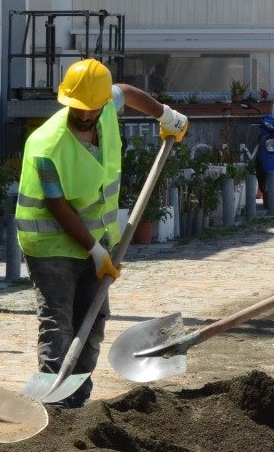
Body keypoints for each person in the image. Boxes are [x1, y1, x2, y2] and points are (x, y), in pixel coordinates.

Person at [16, 58, 189, 408]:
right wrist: (95, 252)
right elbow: (56, 205)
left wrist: (164, 114)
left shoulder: (106, 105)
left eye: (90, 108)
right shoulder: (45, 145)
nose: (83, 115)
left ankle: (77, 401)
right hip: (49, 243)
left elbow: (127, 92)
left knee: (92, 323)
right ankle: (53, 407)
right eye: (76, 108)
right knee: (58, 322)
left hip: (96, 237)